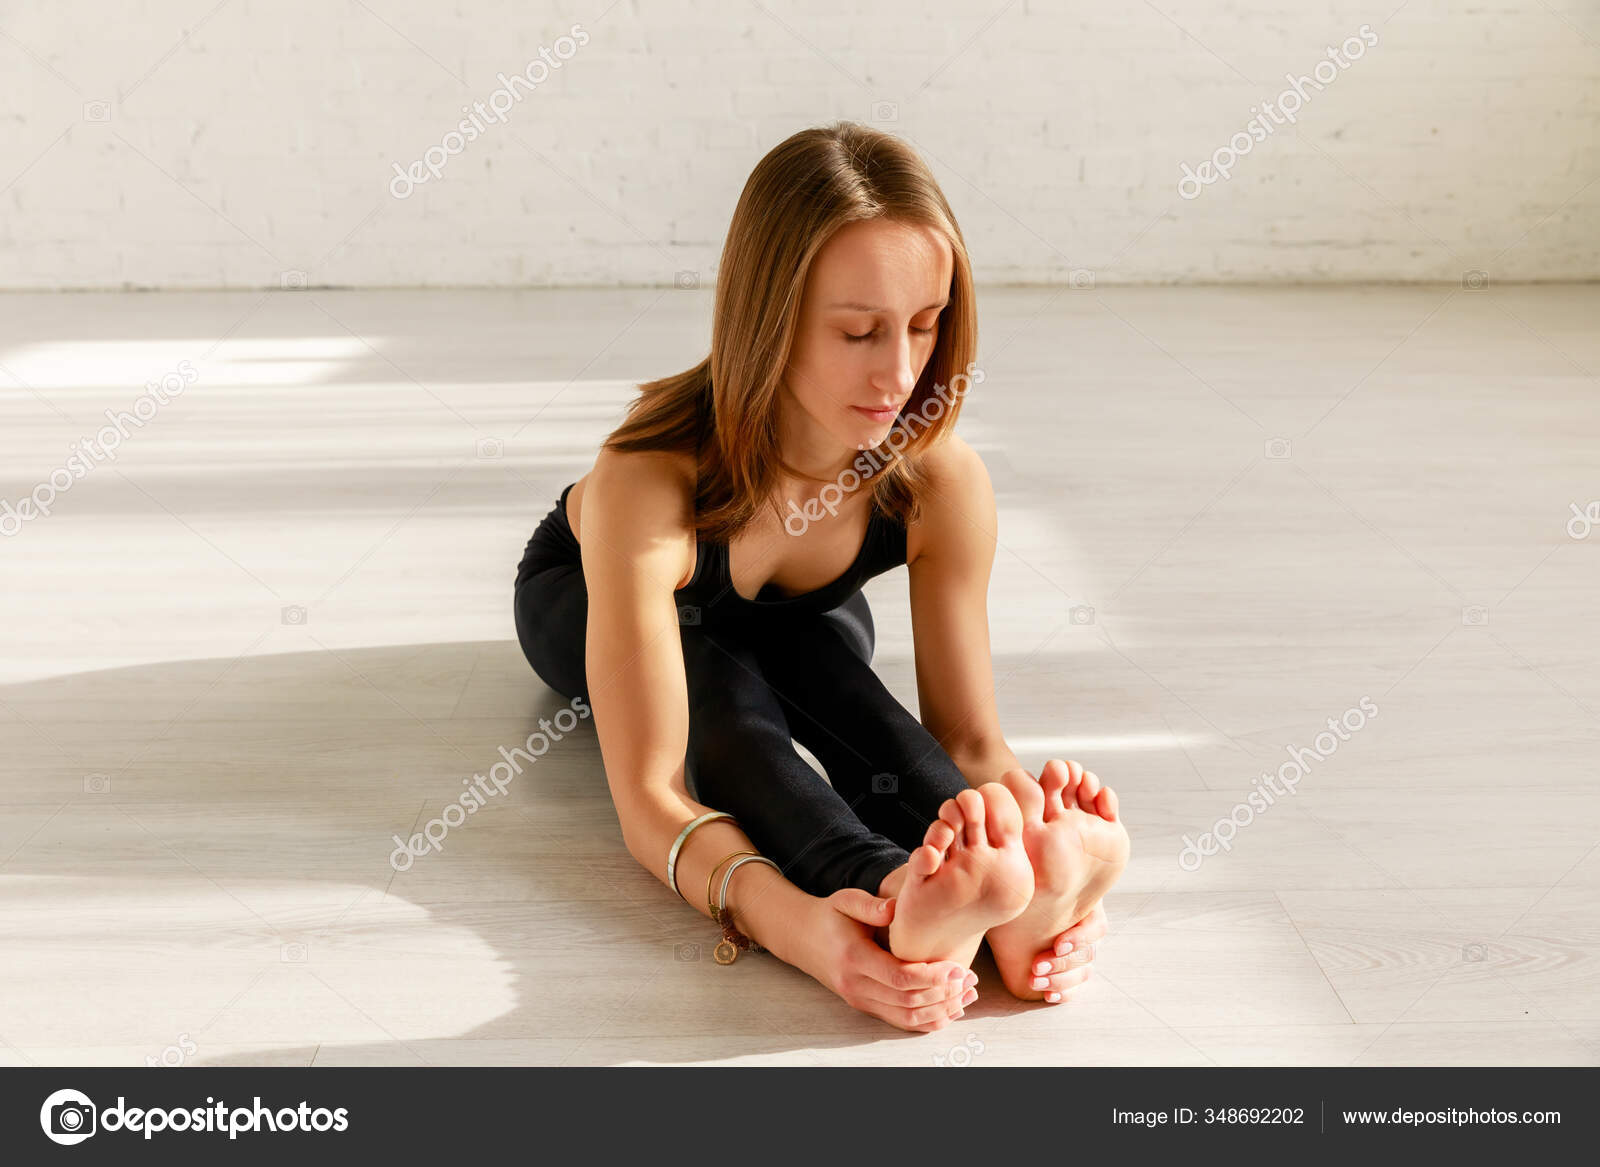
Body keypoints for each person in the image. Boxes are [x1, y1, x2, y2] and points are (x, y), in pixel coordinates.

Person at [514, 121, 1129, 1033]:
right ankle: (887, 890)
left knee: (836, 672)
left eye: (924, 325)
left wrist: (1039, 867)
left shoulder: (942, 481)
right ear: (770, 320)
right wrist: (808, 934)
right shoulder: (645, 482)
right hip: (585, 591)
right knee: (721, 684)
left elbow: (969, 736)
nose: (900, 373)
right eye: (858, 332)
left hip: (807, 619)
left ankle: (984, 899)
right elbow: (653, 800)